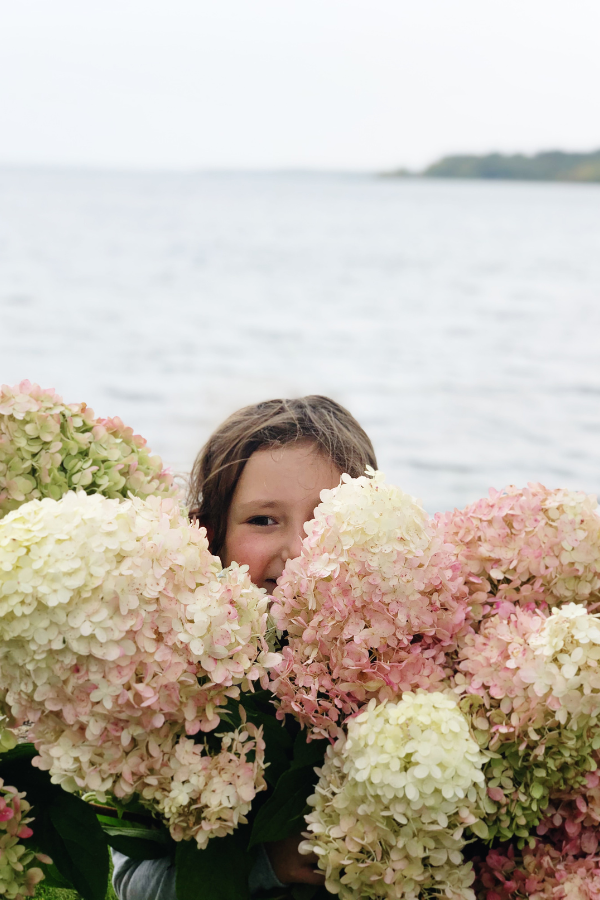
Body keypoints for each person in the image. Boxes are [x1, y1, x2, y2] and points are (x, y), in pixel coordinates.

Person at [112, 395, 378, 900]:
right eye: (263, 520)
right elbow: (134, 887)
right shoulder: (168, 687)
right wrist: (271, 863)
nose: (299, 550)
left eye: (328, 521)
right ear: (211, 539)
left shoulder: (395, 669)